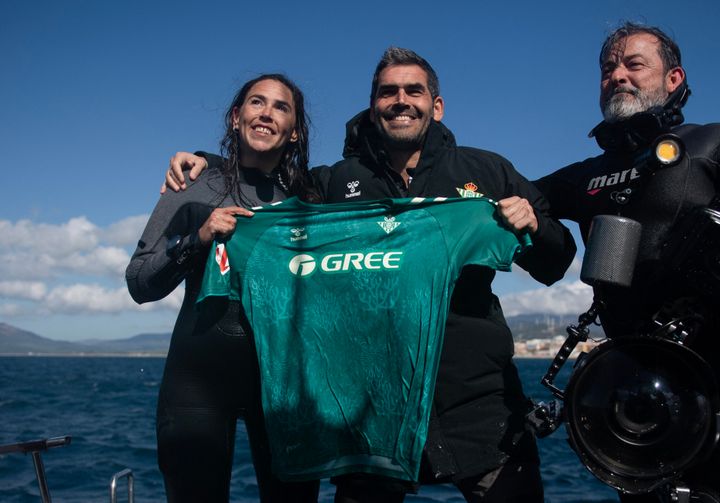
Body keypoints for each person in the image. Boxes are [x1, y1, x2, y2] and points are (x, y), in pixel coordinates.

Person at [166, 47, 576, 502]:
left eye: (413, 91)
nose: (400, 100)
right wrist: (213, 164)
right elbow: (268, 192)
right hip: (366, 416)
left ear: (435, 106)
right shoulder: (336, 183)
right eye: (388, 92)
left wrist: (535, 226)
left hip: (478, 409)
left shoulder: (486, 171)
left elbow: (556, 264)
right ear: (373, 103)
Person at [534, 22, 720, 502]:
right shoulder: (584, 177)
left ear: (674, 79)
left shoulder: (709, 145)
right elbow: (501, 195)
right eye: (607, 69)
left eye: (634, 64)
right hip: (635, 403)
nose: (617, 75)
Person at [126, 74, 320, 503]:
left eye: (281, 107)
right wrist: (197, 239)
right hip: (196, 384)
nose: (266, 112)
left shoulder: (312, 201)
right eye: (256, 102)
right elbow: (139, 282)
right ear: (237, 117)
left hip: (285, 387)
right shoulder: (193, 186)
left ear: (296, 130)